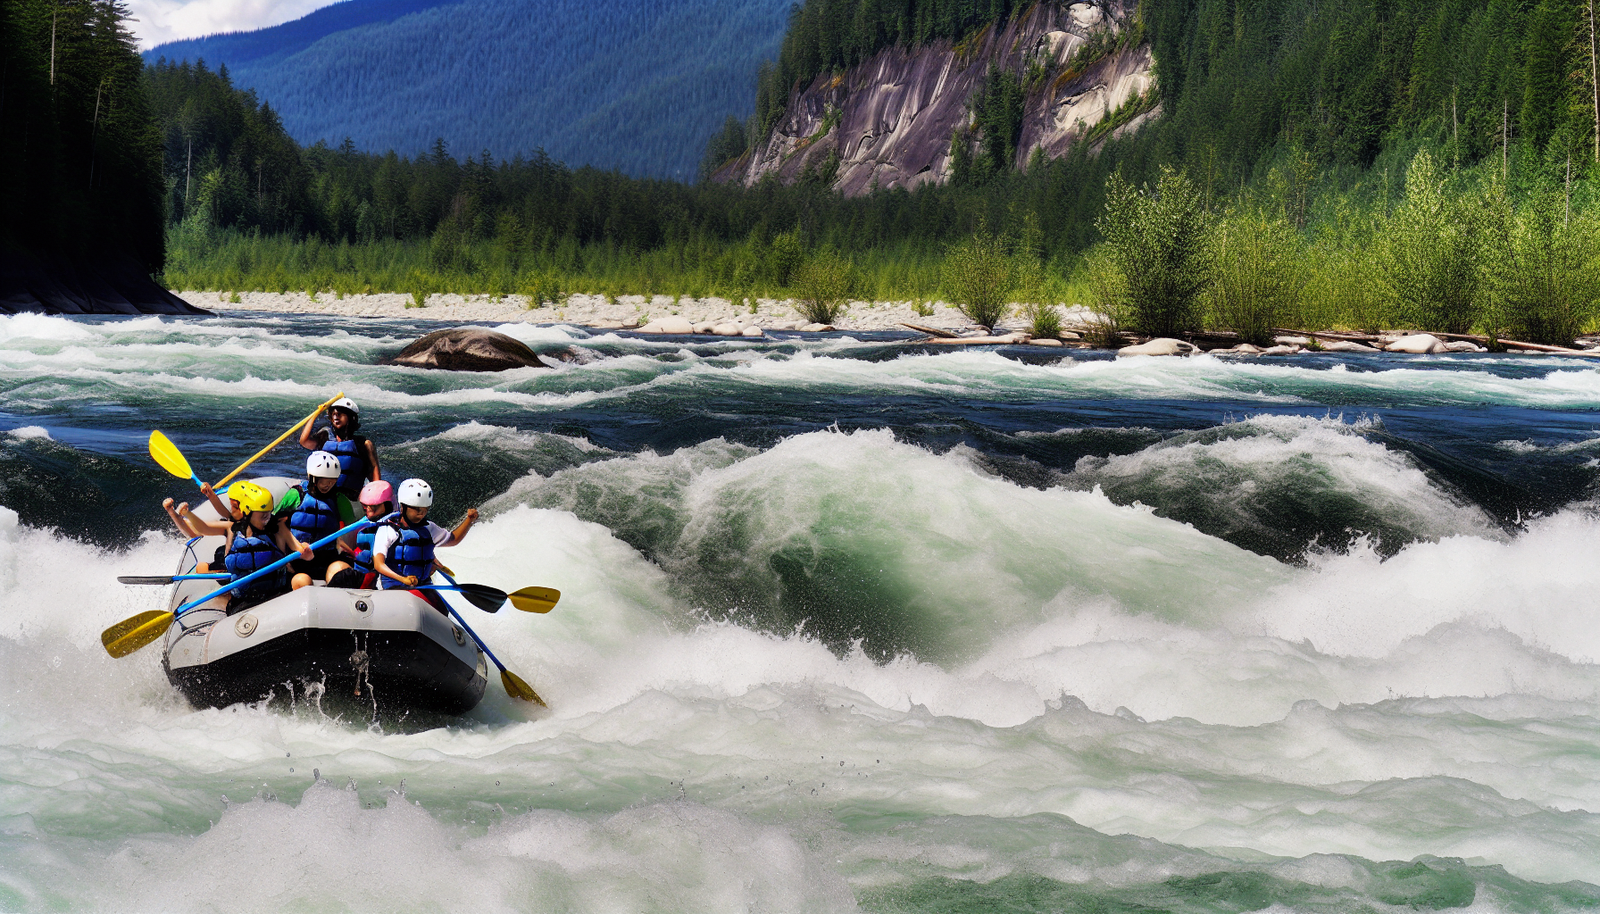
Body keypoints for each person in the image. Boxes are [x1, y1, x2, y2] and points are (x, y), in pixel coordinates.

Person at [371, 478, 478, 611]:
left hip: (422, 585)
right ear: (403, 507)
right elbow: (378, 564)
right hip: (393, 586)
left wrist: (469, 521)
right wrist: (403, 579)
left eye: (425, 509)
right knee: (417, 605)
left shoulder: (429, 528)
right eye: (416, 509)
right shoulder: (388, 529)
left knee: (442, 611)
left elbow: (453, 539)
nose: (421, 513)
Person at [222, 481, 314, 612]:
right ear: (248, 513)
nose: (267, 518)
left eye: (268, 513)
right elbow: (202, 530)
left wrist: (305, 551)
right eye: (262, 514)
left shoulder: (278, 528)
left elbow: (298, 548)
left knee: (303, 579)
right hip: (247, 598)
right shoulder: (234, 530)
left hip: (276, 591)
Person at [277, 451, 354, 588]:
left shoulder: (339, 500)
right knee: (302, 580)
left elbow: (352, 529)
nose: (328, 485)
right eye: (323, 480)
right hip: (297, 558)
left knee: (341, 570)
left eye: (332, 480)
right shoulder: (296, 495)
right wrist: (283, 558)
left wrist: (343, 544)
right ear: (312, 477)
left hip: (327, 557)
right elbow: (276, 526)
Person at [299, 396, 379, 501]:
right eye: (333, 415)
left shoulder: (362, 444)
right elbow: (304, 441)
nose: (336, 417)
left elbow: (373, 470)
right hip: (325, 493)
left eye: (340, 414)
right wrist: (315, 414)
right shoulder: (324, 436)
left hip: (349, 498)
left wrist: (376, 493)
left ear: (351, 417)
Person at [329, 479, 397, 589]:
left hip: (376, 579)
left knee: (343, 575)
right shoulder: (365, 526)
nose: (369, 511)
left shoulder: (394, 530)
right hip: (361, 574)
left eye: (374, 507)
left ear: (387, 506)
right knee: (336, 567)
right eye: (366, 506)